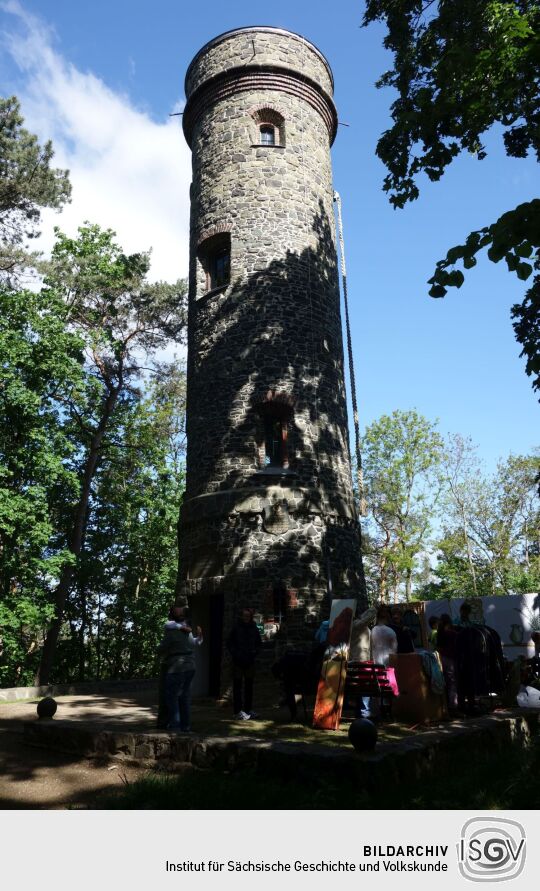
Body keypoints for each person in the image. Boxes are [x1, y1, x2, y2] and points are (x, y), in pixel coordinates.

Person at [157, 605, 203, 732]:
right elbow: (194, 643)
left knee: (172, 698)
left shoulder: (172, 632)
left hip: (176, 667)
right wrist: (199, 637)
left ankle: (175, 726)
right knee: (184, 697)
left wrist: (158, 650)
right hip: (190, 667)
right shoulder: (186, 631)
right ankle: (186, 726)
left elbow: (161, 649)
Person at [226, 606, 262, 720]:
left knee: (249, 686)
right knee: (237, 686)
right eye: (244, 616)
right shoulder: (236, 627)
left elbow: (258, 643)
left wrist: (254, 653)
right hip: (238, 661)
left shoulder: (253, 627)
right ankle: (237, 711)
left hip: (249, 661)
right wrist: (236, 654)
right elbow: (229, 642)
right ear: (242, 616)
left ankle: (248, 709)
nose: (246, 618)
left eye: (248, 616)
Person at [436, 613, 458, 712]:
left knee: (445, 682)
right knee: (452, 683)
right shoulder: (453, 633)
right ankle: (453, 706)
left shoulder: (439, 633)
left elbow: (438, 647)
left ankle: (444, 706)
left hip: (442, 659)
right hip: (451, 659)